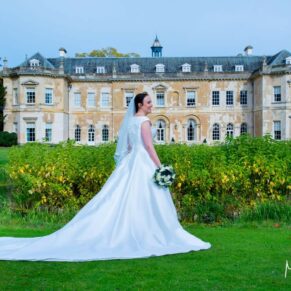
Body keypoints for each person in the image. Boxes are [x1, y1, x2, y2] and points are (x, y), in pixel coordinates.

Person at [0, 92, 211, 262]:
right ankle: (146, 232)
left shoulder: (129, 123)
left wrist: (128, 164)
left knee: (120, 198)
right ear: (139, 105)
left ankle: (133, 229)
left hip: (131, 162)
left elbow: (128, 147)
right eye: (148, 102)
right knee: (145, 199)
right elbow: (148, 146)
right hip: (143, 162)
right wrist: (161, 167)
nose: (151, 106)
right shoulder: (145, 121)